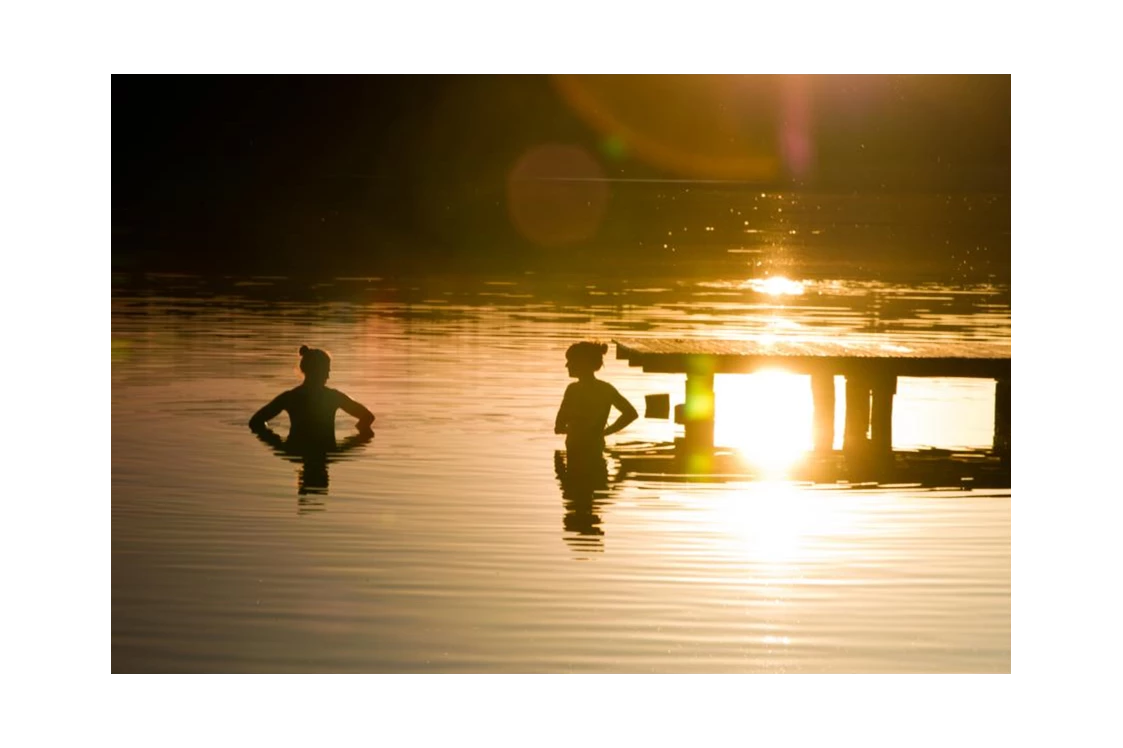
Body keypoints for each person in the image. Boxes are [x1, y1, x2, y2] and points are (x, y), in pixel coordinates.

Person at [249, 345, 374, 445]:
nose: (328, 376)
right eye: (326, 371)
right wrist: (355, 438)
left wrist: (277, 443)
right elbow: (367, 417)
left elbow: (256, 422)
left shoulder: (289, 398)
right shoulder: (333, 397)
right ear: (319, 372)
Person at [554, 341, 638, 454]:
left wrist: (573, 429)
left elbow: (558, 427)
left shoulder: (572, 390)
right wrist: (604, 432)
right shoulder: (606, 389)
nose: (567, 365)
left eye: (571, 361)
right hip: (596, 447)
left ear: (582, 364)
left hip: (574, 453)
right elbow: (630, 413)